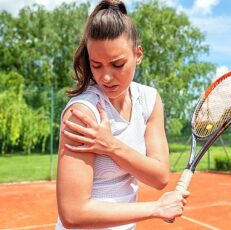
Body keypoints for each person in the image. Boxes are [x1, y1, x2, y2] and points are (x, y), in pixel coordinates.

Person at [55, 0, 189, 229]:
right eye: (96, 65)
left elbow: (159, 177)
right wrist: (155, 208)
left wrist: (111, 146)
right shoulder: (82, 113)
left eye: (117, 64)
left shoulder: (149, 99)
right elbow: (72, 213)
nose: (106, 77)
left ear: (138, 54)